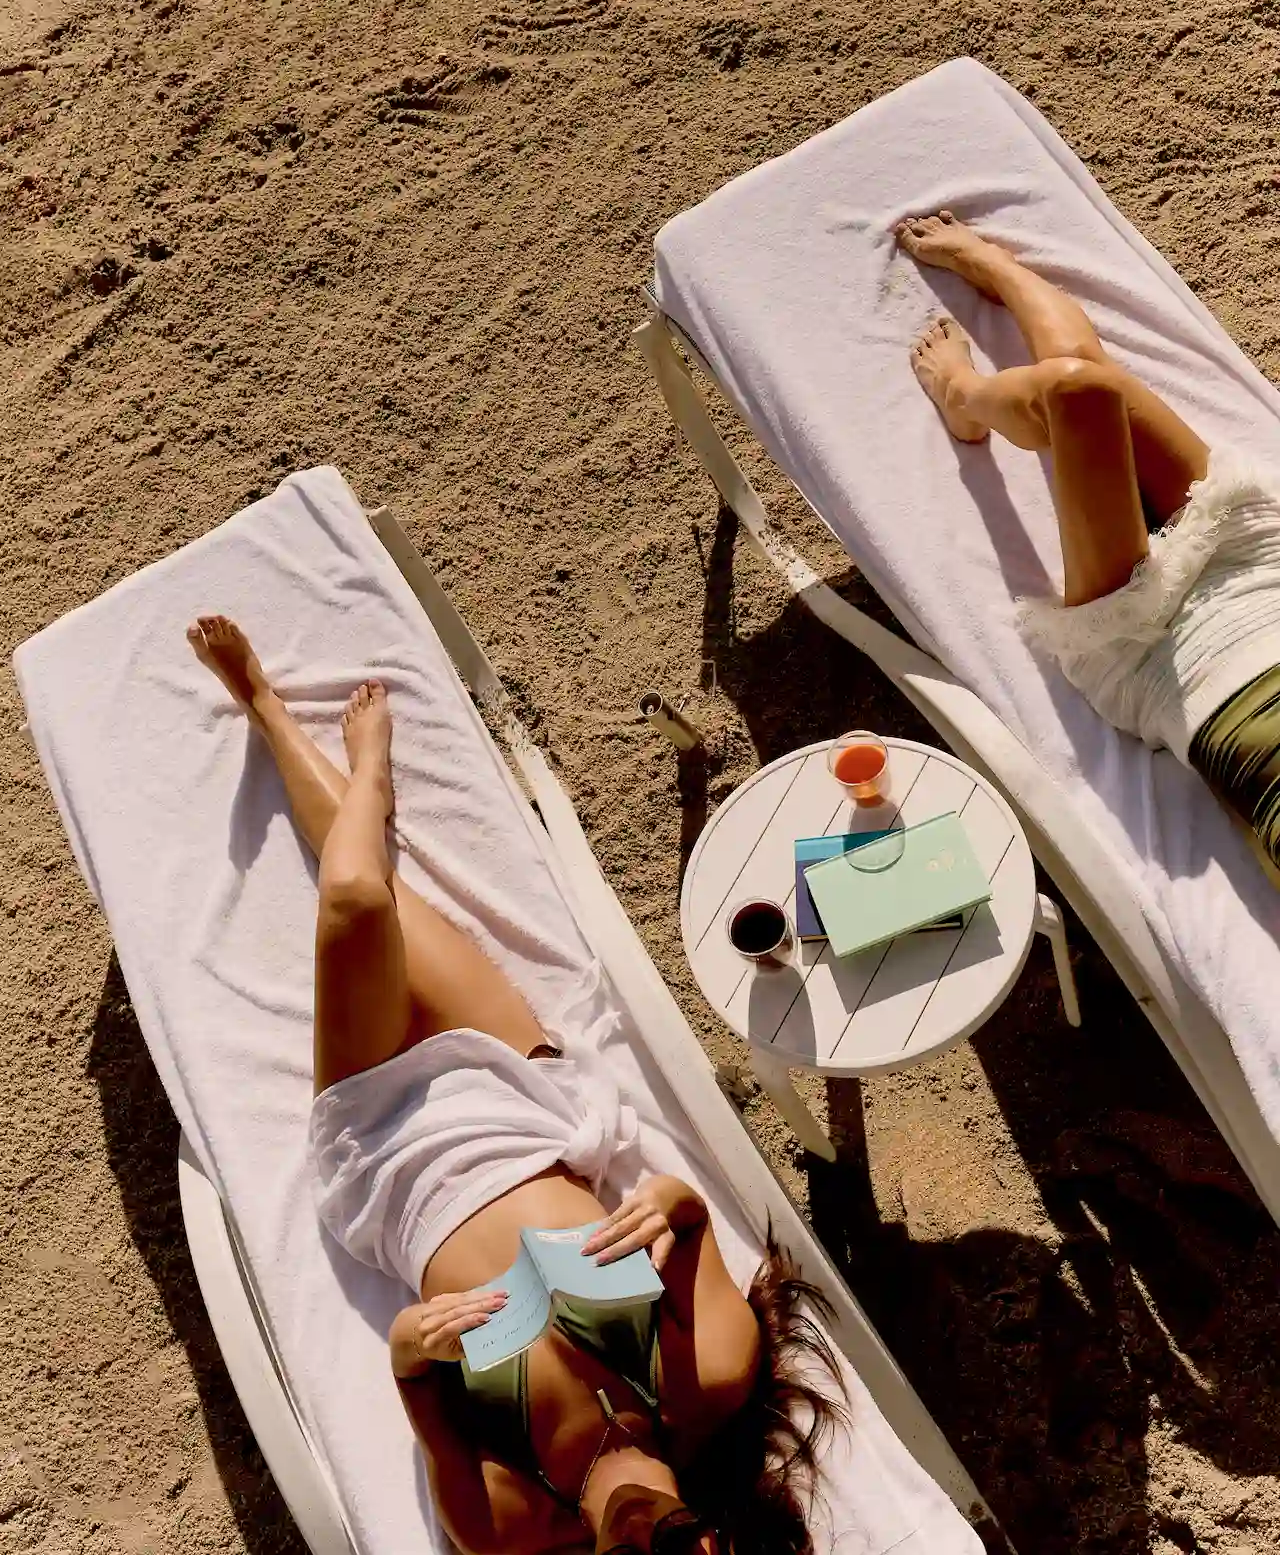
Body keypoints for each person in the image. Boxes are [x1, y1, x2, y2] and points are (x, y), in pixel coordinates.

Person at [186, 616, 845, 1555]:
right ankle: (352, 767)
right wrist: (663, 1202)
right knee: (379, 900)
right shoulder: (714, 1377)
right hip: (517, 1095)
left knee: (356, 902)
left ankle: (269, 705)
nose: (642, 1540)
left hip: (388, 1153)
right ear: (718, 1545)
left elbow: (413, 1374)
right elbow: (688, 1216)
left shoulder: (509, 1521)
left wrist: (417, 1343)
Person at [897, 211, 1280, 874]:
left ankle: (962, 393)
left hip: (1161, 655)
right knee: (1089, 378)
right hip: (1261, 570)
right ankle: (996, 268)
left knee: (1081, 393)